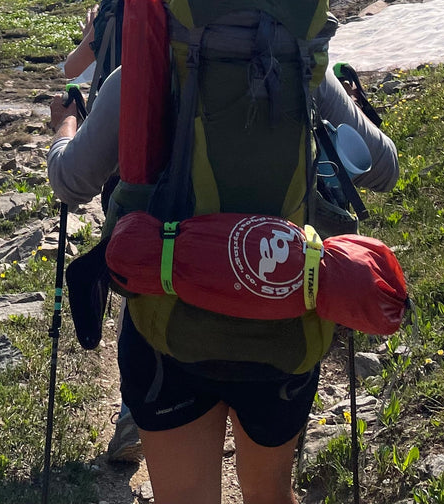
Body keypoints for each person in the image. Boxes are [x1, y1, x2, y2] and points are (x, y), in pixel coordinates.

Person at [47, 65, 398, 504]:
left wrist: (64, 123)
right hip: (286, 322)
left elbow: (71, 182)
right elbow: (383, 170)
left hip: (167, 329)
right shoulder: (302, 60)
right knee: (269, 494)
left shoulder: (145, 59)